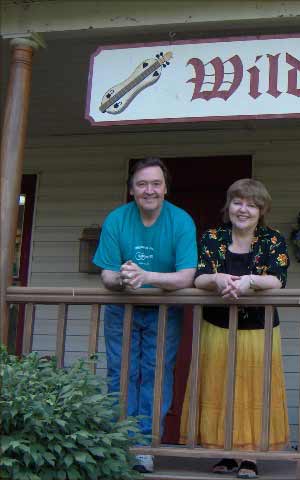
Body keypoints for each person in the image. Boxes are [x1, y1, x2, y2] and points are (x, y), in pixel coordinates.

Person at [180, 178, 289, 479]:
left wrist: (248, 282)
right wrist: (217, 280)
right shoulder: (213, 237)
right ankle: (225, 453)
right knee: (220, 386)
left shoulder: (272, 239)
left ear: (261, 210)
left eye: (251, 205)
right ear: (228, 206)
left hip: (259, 329)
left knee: (255, 390)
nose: (243, 209)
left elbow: (277, 279)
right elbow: (199, 277)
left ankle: (251, 456)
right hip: (217, 326)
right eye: (238, 202)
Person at [93, 157, 197, 474]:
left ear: (165, 188)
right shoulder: (117, 219)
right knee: (120, 373)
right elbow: (107, 276)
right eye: (141, 184)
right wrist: (125, 278)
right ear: (131, 189)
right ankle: (118, 443)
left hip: (164, 312)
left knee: (155, 375)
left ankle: (144, 448)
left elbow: (186, 277)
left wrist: (146, 276)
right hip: (122, 309)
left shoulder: (180, 221)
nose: (148, 190)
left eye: (155, 183)